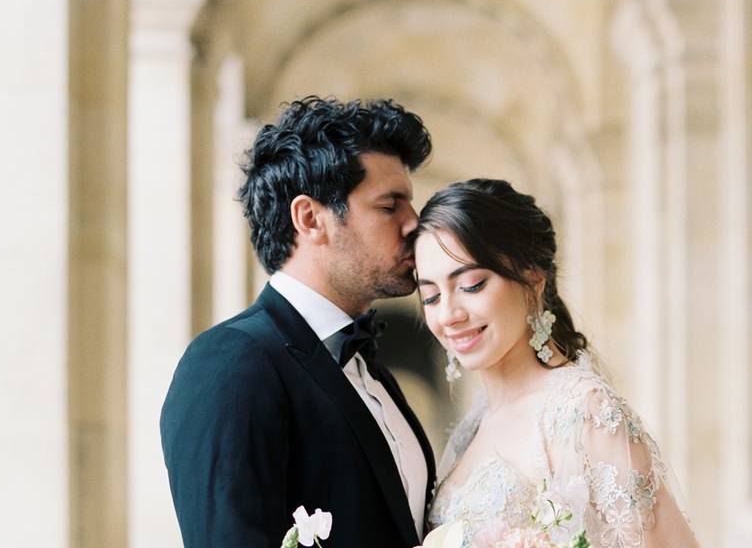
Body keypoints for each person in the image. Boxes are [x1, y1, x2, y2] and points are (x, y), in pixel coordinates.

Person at [161, 96, 436, 548]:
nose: (415, 224)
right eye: (391, 206)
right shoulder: (230, 363)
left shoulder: (369, 367)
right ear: (310, 218)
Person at [415, 179, 700, 548]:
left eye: (471, 286)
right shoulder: (470, 429)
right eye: (431, 296)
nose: (449, 314)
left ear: (532, 281)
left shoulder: (583, 411)